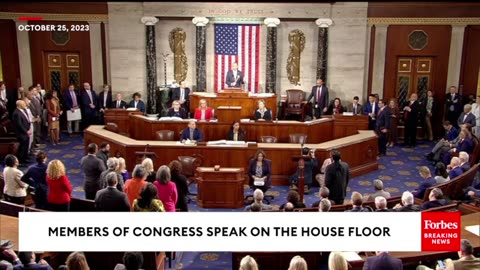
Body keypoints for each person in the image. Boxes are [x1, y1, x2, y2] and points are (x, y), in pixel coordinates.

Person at [12, 100, 32, 164]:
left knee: (26, 145)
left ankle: (25, 157)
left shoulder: (23, 110)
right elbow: (19, 124)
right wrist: (26, 131)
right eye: (23, 104)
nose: (25, 105)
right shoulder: (16, 113)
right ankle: (21, 160)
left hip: (26, 132)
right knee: (22, 147)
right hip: (21, 133)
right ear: (19, 105)